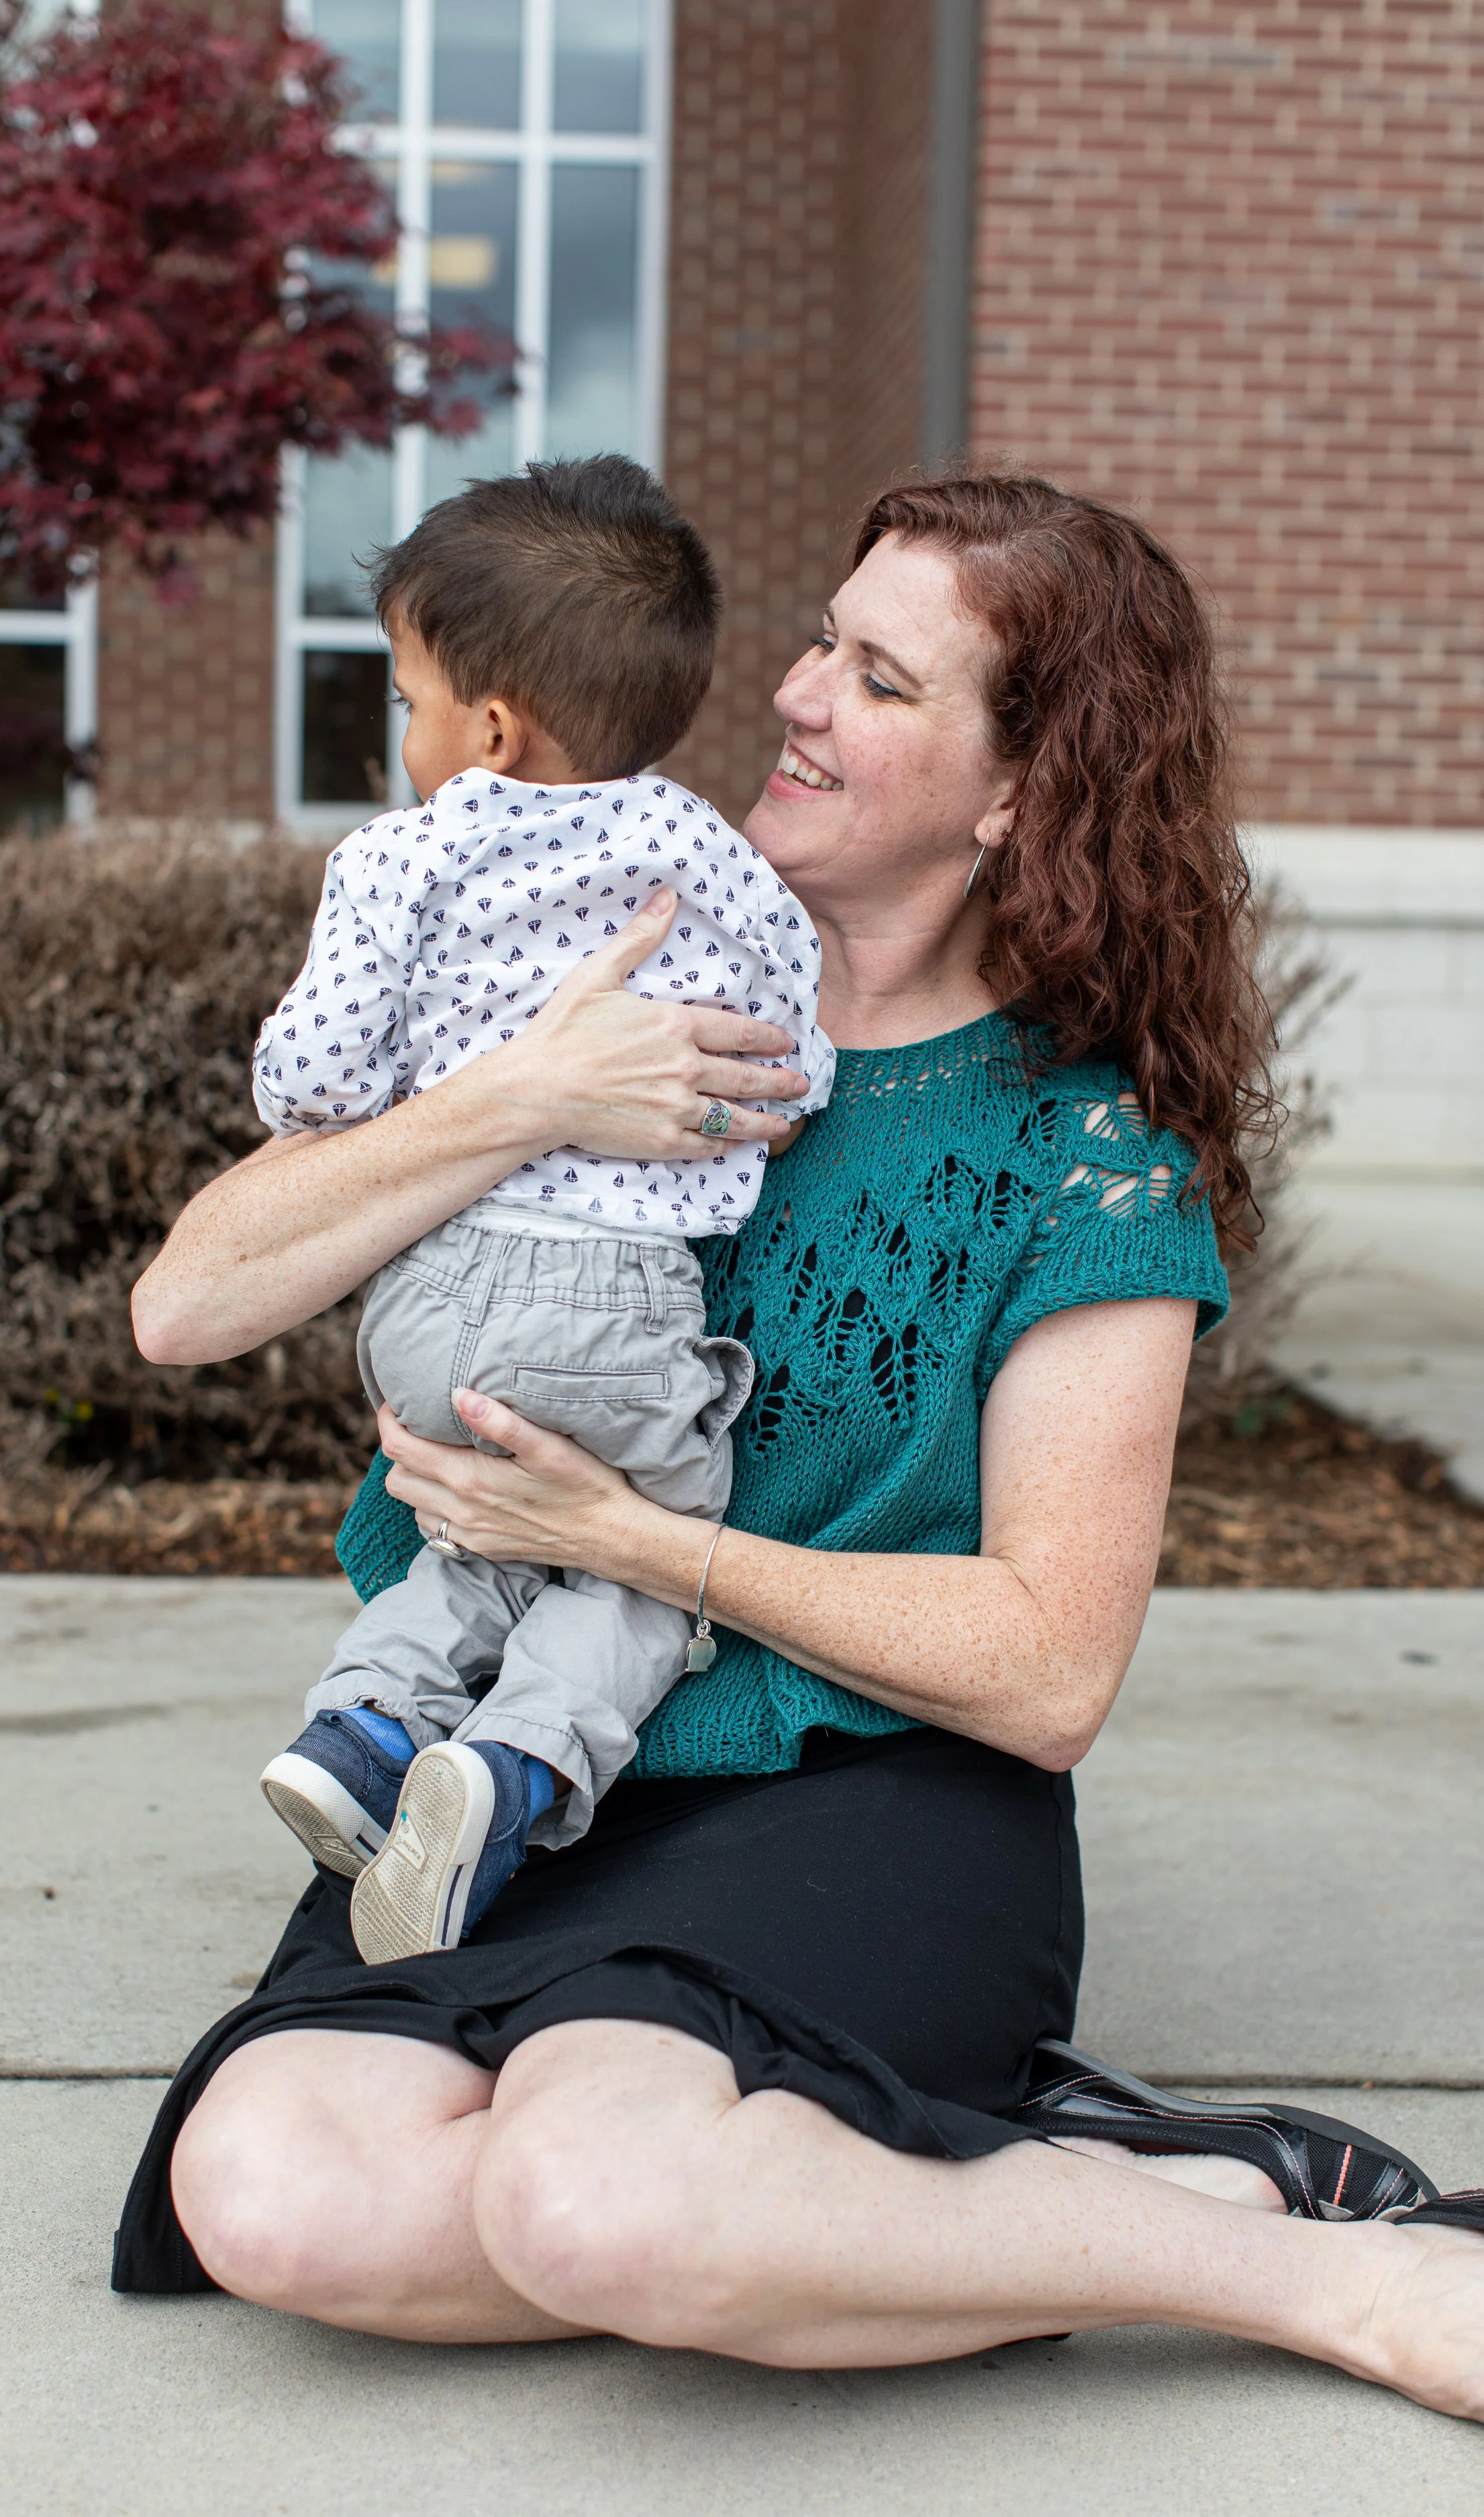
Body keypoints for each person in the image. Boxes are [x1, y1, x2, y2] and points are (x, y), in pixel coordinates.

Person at [115, 472, 1484, 2423]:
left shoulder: (1072, 1153)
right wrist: (525, 1094)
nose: (793, 692)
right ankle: (911, 2196)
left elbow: (1048, 1665)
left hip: (862, 1790)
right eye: (817, 638)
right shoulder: (578, 958)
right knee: (275, 2192)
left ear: (1020, 789)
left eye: (877, 675)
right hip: (499, 1773)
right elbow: (184, 1303)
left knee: (593, 2192)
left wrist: (640, 1540)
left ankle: (1301, 2261)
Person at [251, 455, 832, 1963]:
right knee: (639, 1546)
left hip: (430, 1297)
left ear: (488, 727)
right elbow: (795, 1060)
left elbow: (311, 1076)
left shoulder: (398, 854)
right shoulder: (713, 853)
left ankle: (367, 1731)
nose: (405, 732)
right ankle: (510, 1768)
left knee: (475, 1546)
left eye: (404, 698)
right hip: (627, 1301)